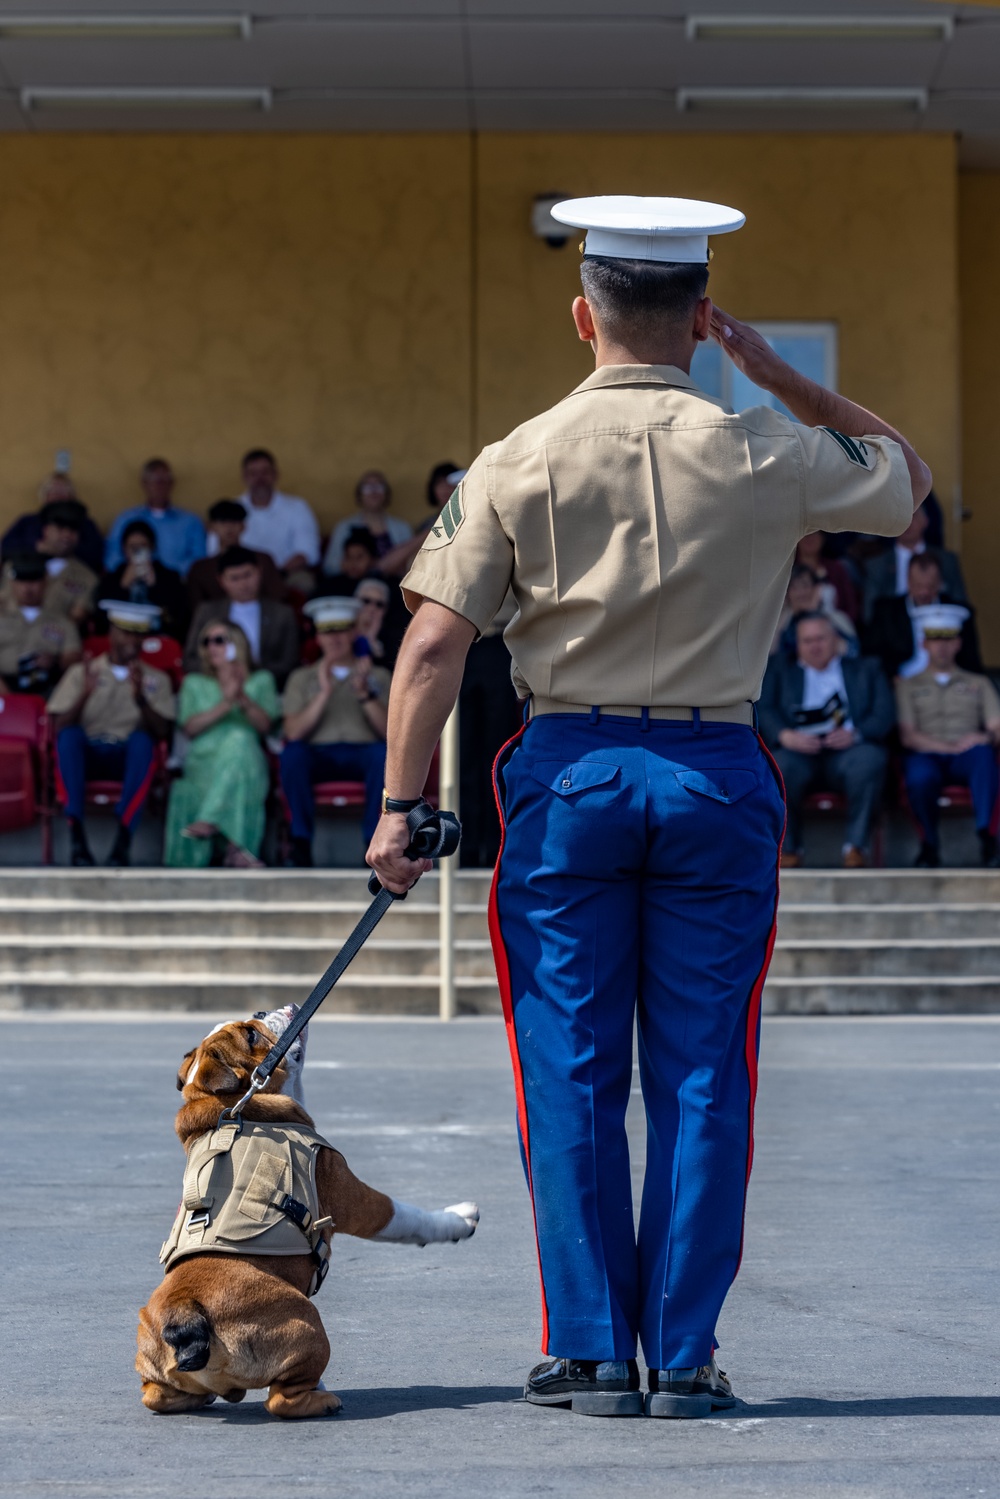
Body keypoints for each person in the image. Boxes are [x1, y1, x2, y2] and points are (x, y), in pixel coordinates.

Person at [364, 193, 930, 1418]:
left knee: (566, 1071)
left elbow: (428, 653)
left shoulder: (515, 457)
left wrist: (398, 807)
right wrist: (780, 377)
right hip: (716, 774)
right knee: (702, 1073)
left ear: (584, 316)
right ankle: (681, 1354)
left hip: (567, 775)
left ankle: (589, 1350)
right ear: (702, 320)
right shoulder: (766, 443)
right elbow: (906, 483)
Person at [760, 613, 894, 868]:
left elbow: (884, 713)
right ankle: (789, 848)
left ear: (835, 640)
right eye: (807, 640)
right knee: (779, 766)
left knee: (870, 760)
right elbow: (764, 709)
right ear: (796, 644)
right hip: (798, 751)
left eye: (820, 638)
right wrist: (784, 735)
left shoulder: (866, 668)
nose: (815, 646)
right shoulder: (779, 669)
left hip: (847, 751)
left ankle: (855, 847)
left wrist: (855, 733)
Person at [47, 600, 175, 866]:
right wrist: (85, 693)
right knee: (69, 739)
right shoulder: (81, 672)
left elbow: (162, 732)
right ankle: (77, 840)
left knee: (143, 742)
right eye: (126, 632)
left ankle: (123, 843)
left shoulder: (157, 679)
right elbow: (58, 726)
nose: (132, 639)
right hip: (89, 756)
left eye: (139, 634)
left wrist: (141, 698)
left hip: (124, 757)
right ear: (112, 633)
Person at [280, 597, 390, 867]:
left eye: (341, 629)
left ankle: (373, 841)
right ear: (317, 637)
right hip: (319, 754)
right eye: (327, 631)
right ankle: (300, 842)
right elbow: (293, 733)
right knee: (292, 755)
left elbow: (390, 733)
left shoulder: (378, 674)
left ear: (354, 632)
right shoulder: (301, 677)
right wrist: (324, 692)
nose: (334, 638)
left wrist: (365, 695)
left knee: (384, 754)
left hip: (363, 752)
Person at [165, 620, 279, 869]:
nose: (211, 647)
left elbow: (265, 726)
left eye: (219, 640)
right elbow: (189, 728)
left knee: (240, 742)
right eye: (206, 641)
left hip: (247, 757)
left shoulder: (261, 680)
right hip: (204, 759)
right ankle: (237, 850)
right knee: (240, 753)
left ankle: (210, 818)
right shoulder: (194, 682)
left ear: (238, 644)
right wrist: (227, 703)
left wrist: (242, 697)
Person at [895, 604, 1000, 869]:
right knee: (919, 778)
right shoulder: (908, 685)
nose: (941, 646)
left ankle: (987, 836)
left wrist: (983, 737)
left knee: (986, 759)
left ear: (958, 644)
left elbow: (996, 727)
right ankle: (929, 844)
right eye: (934, 639)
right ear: (924, 643)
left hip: (969, 752)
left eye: (947, 639)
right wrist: (948, 747)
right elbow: (908, 736)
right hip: (927, 752)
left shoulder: (980, 683)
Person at [183, 545, 299, 688]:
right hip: (214, 687)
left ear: (259, 572)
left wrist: (252, 675)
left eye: (248, 575)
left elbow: (289, 662)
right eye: (234, 578)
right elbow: (191, 659)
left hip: (264, 686)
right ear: (221, 580)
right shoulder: (207, 612)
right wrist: (222, 674)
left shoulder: (282, 613)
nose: (243, 584)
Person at [864, 552, 981, 681]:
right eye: (918, 585)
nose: (924, 592)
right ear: (908, 581)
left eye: (930, 586)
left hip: (948, 683)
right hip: (903, 682)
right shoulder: (886, 612)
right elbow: (873, 656)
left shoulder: (957, 612)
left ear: (940, 583)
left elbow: (971, 660)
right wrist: (890, 678)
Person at [861, 502, 967, 623]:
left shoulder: (947, 560)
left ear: (926, 521)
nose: (907, 524)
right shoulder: (876, 565)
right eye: (902, 518)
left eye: (913, 516)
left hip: (937, 626)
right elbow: (869, 614)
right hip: (893, 631)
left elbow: (960, 605)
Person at [0, 501, 97, 625]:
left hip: (53, 639)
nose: (67, 535)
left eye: (73, 530)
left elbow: (76, 618)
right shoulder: (16, 564)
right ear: (46, 529)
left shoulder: (87, 577)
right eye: (60, 528)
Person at [104, 459, 206, 577]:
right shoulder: (126, 519)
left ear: (172, 483)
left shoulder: (190, 521)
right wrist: (133, 572)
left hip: (178, 586)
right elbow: (112, 558)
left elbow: (198, 561)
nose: (159, 485)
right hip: (132, 584)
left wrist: (164, 576)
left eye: (164, 480)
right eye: (154, 480)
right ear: (144, 483)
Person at [237, 448, 320, 592]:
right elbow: (216, 552)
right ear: (244, 477)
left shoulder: (297, 507)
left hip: (285, 575)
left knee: (304, 582)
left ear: (275, 474)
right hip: (239, 579)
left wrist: (275, 574)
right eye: (253, 473)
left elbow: (307, 552)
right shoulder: (233, 509)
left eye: (265, 472)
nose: (260, 478)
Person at [0, 553, 81, 696]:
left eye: (34, 580)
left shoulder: (63, 622)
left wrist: (55, 662)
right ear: (12, 583)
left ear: (46, 582)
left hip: (44, 689)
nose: (28, 587)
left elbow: (72, 658)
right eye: (22, 581)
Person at [97, 520, 190, 642]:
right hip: (120, 639)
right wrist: (123, 586)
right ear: (124, 549)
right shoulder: (112, 578)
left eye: (143, 546)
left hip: (157, 638)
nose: (137, 551)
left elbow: (176, 620)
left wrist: (154, 586)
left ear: (152, 547)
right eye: (133, 547)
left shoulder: (170, 577)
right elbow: (101, 619)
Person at [186, 499, 286, 608]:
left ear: (243, 526)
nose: (229, 528)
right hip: (216, 622)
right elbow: (197, 607)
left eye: (234, 521)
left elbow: (277, 597)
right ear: (211, 527)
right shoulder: (201, 568)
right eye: (222, 522)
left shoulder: (263, 559)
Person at [1, 473, 105, 576]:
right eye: (52, 491)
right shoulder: (28, 521)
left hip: (72, 578)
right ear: (43, 496)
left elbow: (96, 555)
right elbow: (5, 547)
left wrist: (64, 550)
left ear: (72, 496)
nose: (57, 496)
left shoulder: (84, 523)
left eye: (63, 491)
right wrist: (37, 547)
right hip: (29, 576)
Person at [377, 462, 464, 581]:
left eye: (451, 483)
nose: (445, 488)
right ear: (432, 488)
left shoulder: (469, 518)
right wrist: (436, 527)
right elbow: (387, 566)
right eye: (440, 483)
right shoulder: (427, 524)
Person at [323, 470, 412, 576]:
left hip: (393, 586)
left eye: (379, 486)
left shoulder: (402, 528)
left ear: (386, 494)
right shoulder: (344, 527)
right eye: (367, 488)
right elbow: (330, 566)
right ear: (359, 494)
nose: (374, 492)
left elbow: (412, 566)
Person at [770, 563, 857, 660]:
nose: (801, 593)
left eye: (805, 586)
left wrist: (812, 612)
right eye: (794, 588)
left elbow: (853, 651)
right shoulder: (781, 622)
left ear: (816, 588)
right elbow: (769, 656)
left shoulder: (836, 618)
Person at [793, 531, 859, 621]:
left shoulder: (836, 568)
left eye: (814, 533)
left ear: (823, 538)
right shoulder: (786, 570)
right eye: (805, 534)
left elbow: (851, 607)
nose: (809, 538)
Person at [322, 528, 381, 595]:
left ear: (372, 560)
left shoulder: (380, 588)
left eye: (359, 557)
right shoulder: (330, 586)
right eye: (348, 557)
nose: (353, 563)